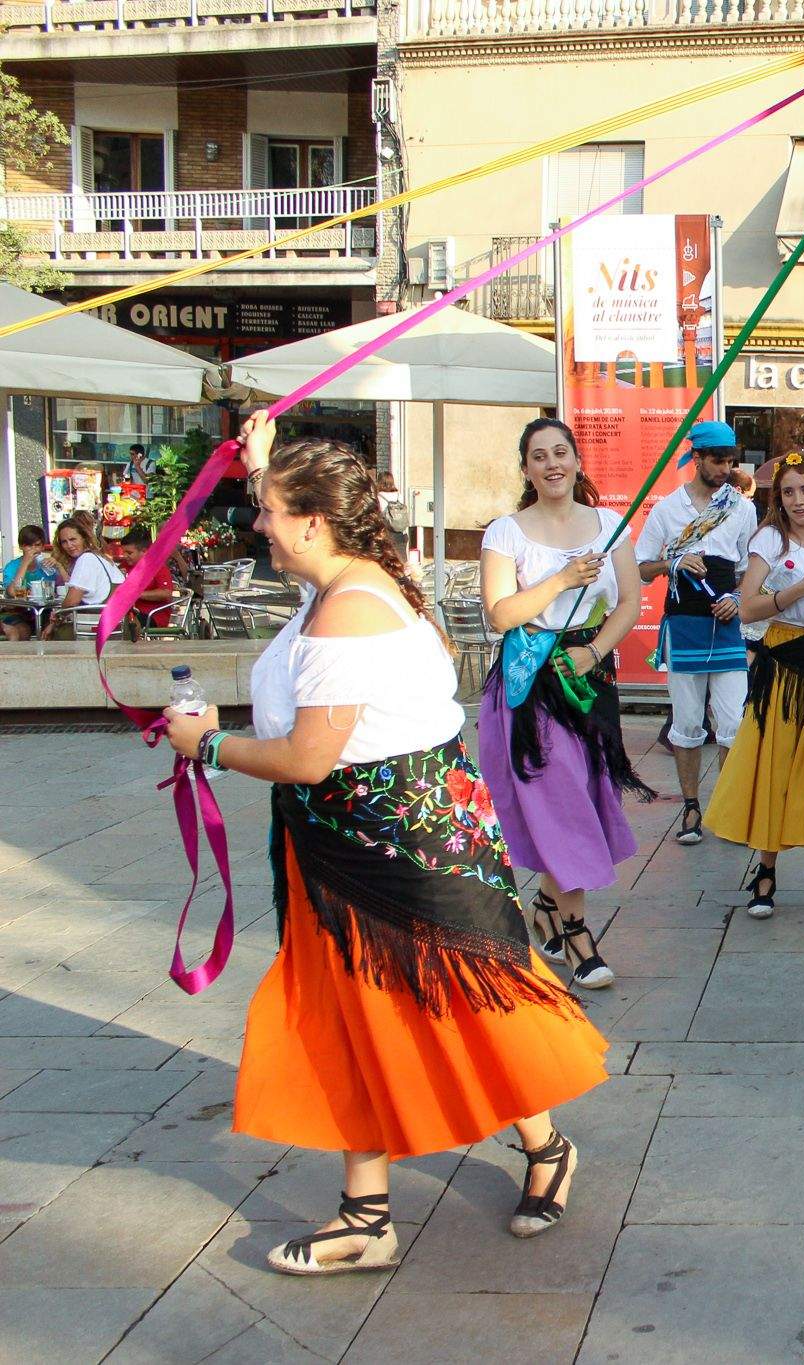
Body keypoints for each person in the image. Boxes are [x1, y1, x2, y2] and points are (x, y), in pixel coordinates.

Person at [161, 411, 606, 1275]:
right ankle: (365, 1214)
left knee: (469, 1006)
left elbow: (307, 757)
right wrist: (265, 464)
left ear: (313, 523)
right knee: (352, 1015)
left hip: (401, 841)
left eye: (269, 512)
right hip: (350, 841)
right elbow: (312, 555)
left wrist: (208, 745)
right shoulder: (346, 578)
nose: (259, 526)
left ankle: (547, 1145)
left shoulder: (349, 612)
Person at [478, 418, 651, 991]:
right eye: (539, 456)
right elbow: (500, 615)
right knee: (565, 801)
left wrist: (594, 652)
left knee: (587, 797)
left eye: (560, 452)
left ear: (577, 460)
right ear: (525, 469)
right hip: (533, 683)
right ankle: (577, 935)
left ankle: (546, 908)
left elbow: (629, 602)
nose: (552, 464)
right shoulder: (507, 532)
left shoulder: (609, 526)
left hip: (589, 678)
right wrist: (560, 580)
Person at [705, 451, 804, 916]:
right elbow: (746, 607)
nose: (798, 500)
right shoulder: (771, 539)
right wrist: (803, 587)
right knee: (776, 767)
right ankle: (766, 870)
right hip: (784, 667)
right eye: (789, 492)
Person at [637, 421, 758, 844]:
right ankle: (691, 806)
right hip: (684, 626)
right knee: (688, 723)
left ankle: (726, 809)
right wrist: (673, 563)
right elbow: (640, 567)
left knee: (734, 723)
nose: (725, 469)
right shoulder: (667, 509)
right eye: (718, 460)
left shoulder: (741, 509)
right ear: (698, 458)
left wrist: (738, 599)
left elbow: (750, 569)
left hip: (726, 626)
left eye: (730, 461)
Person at [40, 514, 126, 637]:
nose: (69, 545)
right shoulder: (102, 558)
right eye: (64, 542)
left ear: (84, 538)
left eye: (73, 539)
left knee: (51, 633)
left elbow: (71, 602)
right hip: (121, 628)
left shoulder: (86, 559)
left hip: (97, 630)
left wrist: (55, 619)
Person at [110, 525, 181, 629]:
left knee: (123, 623)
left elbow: (166, 594)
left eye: (129, 553)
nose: (125, 556)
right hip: (128, 613)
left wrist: (136, 594)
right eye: (123, 552)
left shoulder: (158, 567)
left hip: (152, 615)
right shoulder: (124, 566)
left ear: (144, 551)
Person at [2, 525, 60, 641]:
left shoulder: (47, 566)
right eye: (29, 546)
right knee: (23, 631)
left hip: (46, 612)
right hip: (18, 613)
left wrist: (59, 566)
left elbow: (62, 590)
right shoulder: (12, 566)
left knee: (55, 630)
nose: (33, 549)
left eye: (37, 545)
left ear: (43, 547)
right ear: (21, 546)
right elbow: (12, 592)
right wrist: (25, 563)